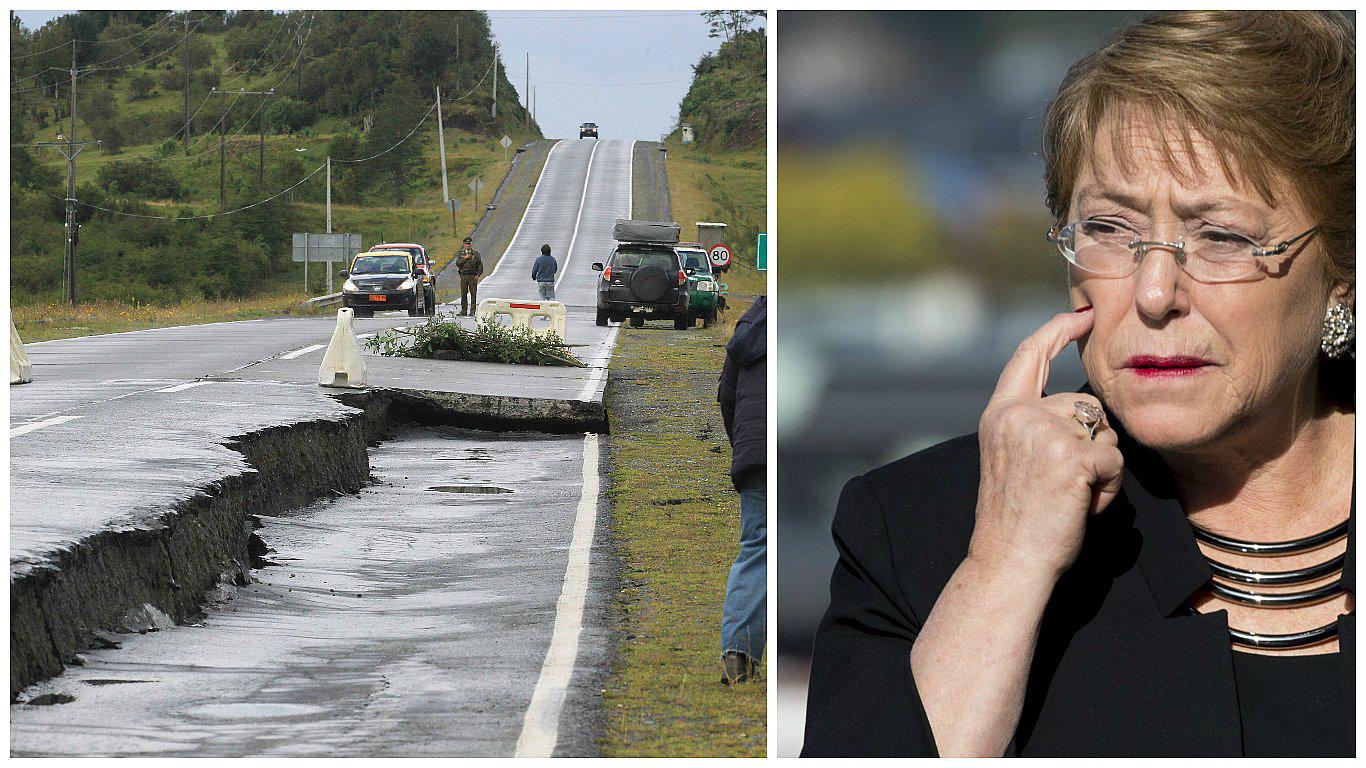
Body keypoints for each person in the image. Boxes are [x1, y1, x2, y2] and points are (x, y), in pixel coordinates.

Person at [802, 11, 1354, 757]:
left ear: (1343, 275)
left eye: (1222, 236)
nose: (1154, 292)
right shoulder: (916, 529)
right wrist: (1006, 565)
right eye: (1111, 229)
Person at [719, 296, 767, 684]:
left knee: (755, 551)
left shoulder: (749, 328)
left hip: (755, 457)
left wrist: (744, 446)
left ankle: (738, 653)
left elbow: (726, 396)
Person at [455, 236, 483, 316]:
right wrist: (465, 258)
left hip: (472, 276)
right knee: (463, 294)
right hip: (464, 276)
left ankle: (472, 311)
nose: (468, 245)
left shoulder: (476, 254)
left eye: (469, 244)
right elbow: (458, 264)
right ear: (464, 245)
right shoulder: (461, 254)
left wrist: (478, 275)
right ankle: (463, 310)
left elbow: (480, 266)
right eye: (466, 244)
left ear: (471, 244)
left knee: (473, 294)